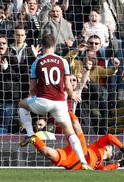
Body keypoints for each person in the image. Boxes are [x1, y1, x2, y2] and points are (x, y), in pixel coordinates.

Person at [18, 34, 92, 170]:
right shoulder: (63, 61)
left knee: (22, 104)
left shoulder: (37, 62)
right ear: (55, 46)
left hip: (42, 101)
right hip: (59, 103)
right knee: (70, 131)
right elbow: (68, 85)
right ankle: (83, 161)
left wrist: (33, 98)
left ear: (42, 46)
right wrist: (72, 95)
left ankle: (30, 134)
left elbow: (32, 88)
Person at [24, 111, 124, 170]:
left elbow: (105, 170)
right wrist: (123, 150)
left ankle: (33, 137)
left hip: (72, 162)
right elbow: (109, 137)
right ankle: (64, 110)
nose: (108, 146)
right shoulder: (98, 146)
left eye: (110, 147)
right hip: (82, 150)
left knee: (46, 152)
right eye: (109, 146)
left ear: (109, 153)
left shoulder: (99, 165)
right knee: (76, 125)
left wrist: (121, 163)